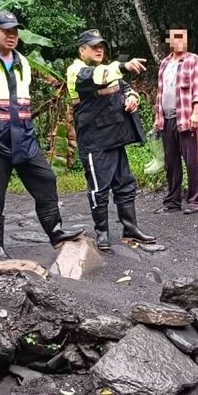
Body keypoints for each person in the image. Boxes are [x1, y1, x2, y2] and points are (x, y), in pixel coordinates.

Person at [0, 10, 83, 260]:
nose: (12, 35)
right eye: (6, 31)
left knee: (45, 178)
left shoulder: (22, 60)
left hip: (22, 135)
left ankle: (56, 232)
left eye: (15, 31)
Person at [66, 29, 156, 251]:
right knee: (99, 188)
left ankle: (130, 228)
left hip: (116, 138)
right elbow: (98, 78)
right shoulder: (77, 71)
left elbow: (125, 88)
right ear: (82, 50)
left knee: (125, 184)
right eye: (94, 46)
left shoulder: (107, 70)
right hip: (94, 142)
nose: (99, 49)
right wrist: (124, 65)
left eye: (102, 46)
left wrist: (132, 98)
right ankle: (102, 232)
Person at [153, 25, 198, 215]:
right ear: (169, 40)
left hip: (186, 117)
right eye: (175, 37)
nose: (179, 41)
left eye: (182, 37)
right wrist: (157, 116)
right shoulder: (164, 64)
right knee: (171, 162)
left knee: (191, 160)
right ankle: (173, 201)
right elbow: (160, 93)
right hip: (167, 119)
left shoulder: (193, 60)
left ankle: (194, 200)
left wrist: (196, 113)